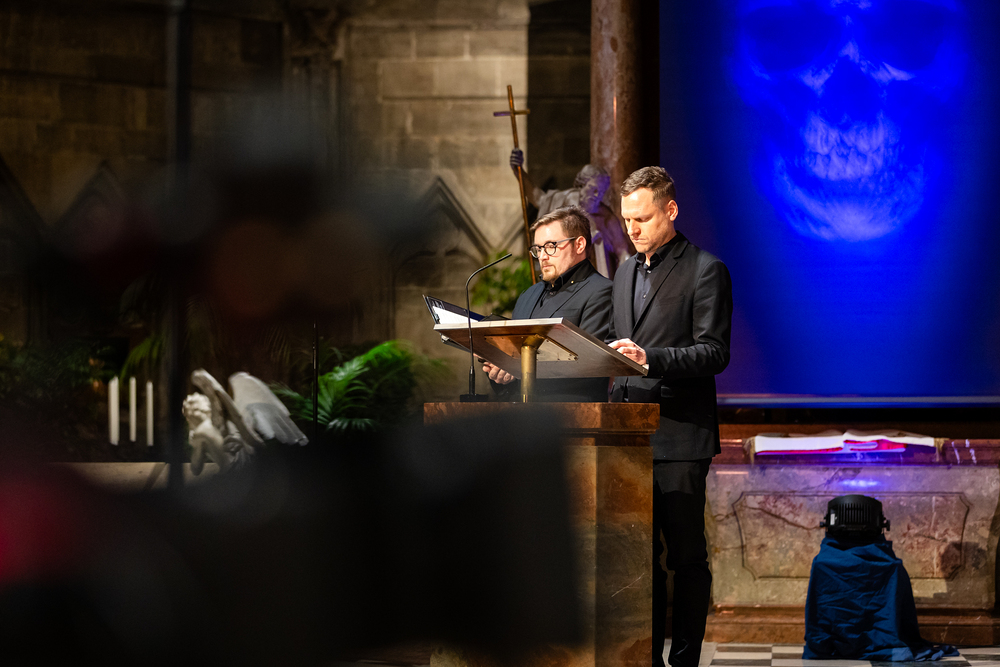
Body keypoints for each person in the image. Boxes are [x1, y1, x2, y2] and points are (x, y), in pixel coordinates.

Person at [606, 167, 732, 667]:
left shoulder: (705, 269)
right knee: (639, 560)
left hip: (679, 434)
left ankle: (683, 661)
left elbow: (714, 352)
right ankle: (646, 660)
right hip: (628, 433)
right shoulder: (624, 271)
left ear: (671, 210)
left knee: (685, 556)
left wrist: (649, 358)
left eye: (642, 218)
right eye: (626, 220)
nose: (632, 229)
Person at [483, 205, 612, 402]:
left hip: (572, 411)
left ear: (579, 245)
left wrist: (517, 367)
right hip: (521, 412)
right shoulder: (528, 295)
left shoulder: (601, 291)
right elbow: (513, 357)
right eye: (538, 249)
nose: (542, 256)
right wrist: (500, 370)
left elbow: (588, 363)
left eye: (551, 246)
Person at [509, 148, 632, 278]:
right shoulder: (563, 201)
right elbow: (537, 197)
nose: (597, 196)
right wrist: (518, 171)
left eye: (601, 192)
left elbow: (623, 251)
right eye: (593, 190)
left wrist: (626, 279)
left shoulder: (606, 217)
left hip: (594, 278)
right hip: (562, 276)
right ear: (582, 186)